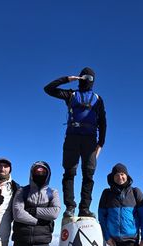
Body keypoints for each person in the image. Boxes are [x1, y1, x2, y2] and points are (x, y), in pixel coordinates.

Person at [44, 67, 107, 218]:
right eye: (84, 77)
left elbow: (103, 121)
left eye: (90, 78)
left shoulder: (98, 99)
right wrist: (67, 79)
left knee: (89, 174)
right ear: (79, 78)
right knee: (69, 173)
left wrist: (101, 143)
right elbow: (48, 89)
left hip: (90, 140)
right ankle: (70, 207)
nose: (87, 80)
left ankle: (84, 208)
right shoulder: (71, 94)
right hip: (72, 138)